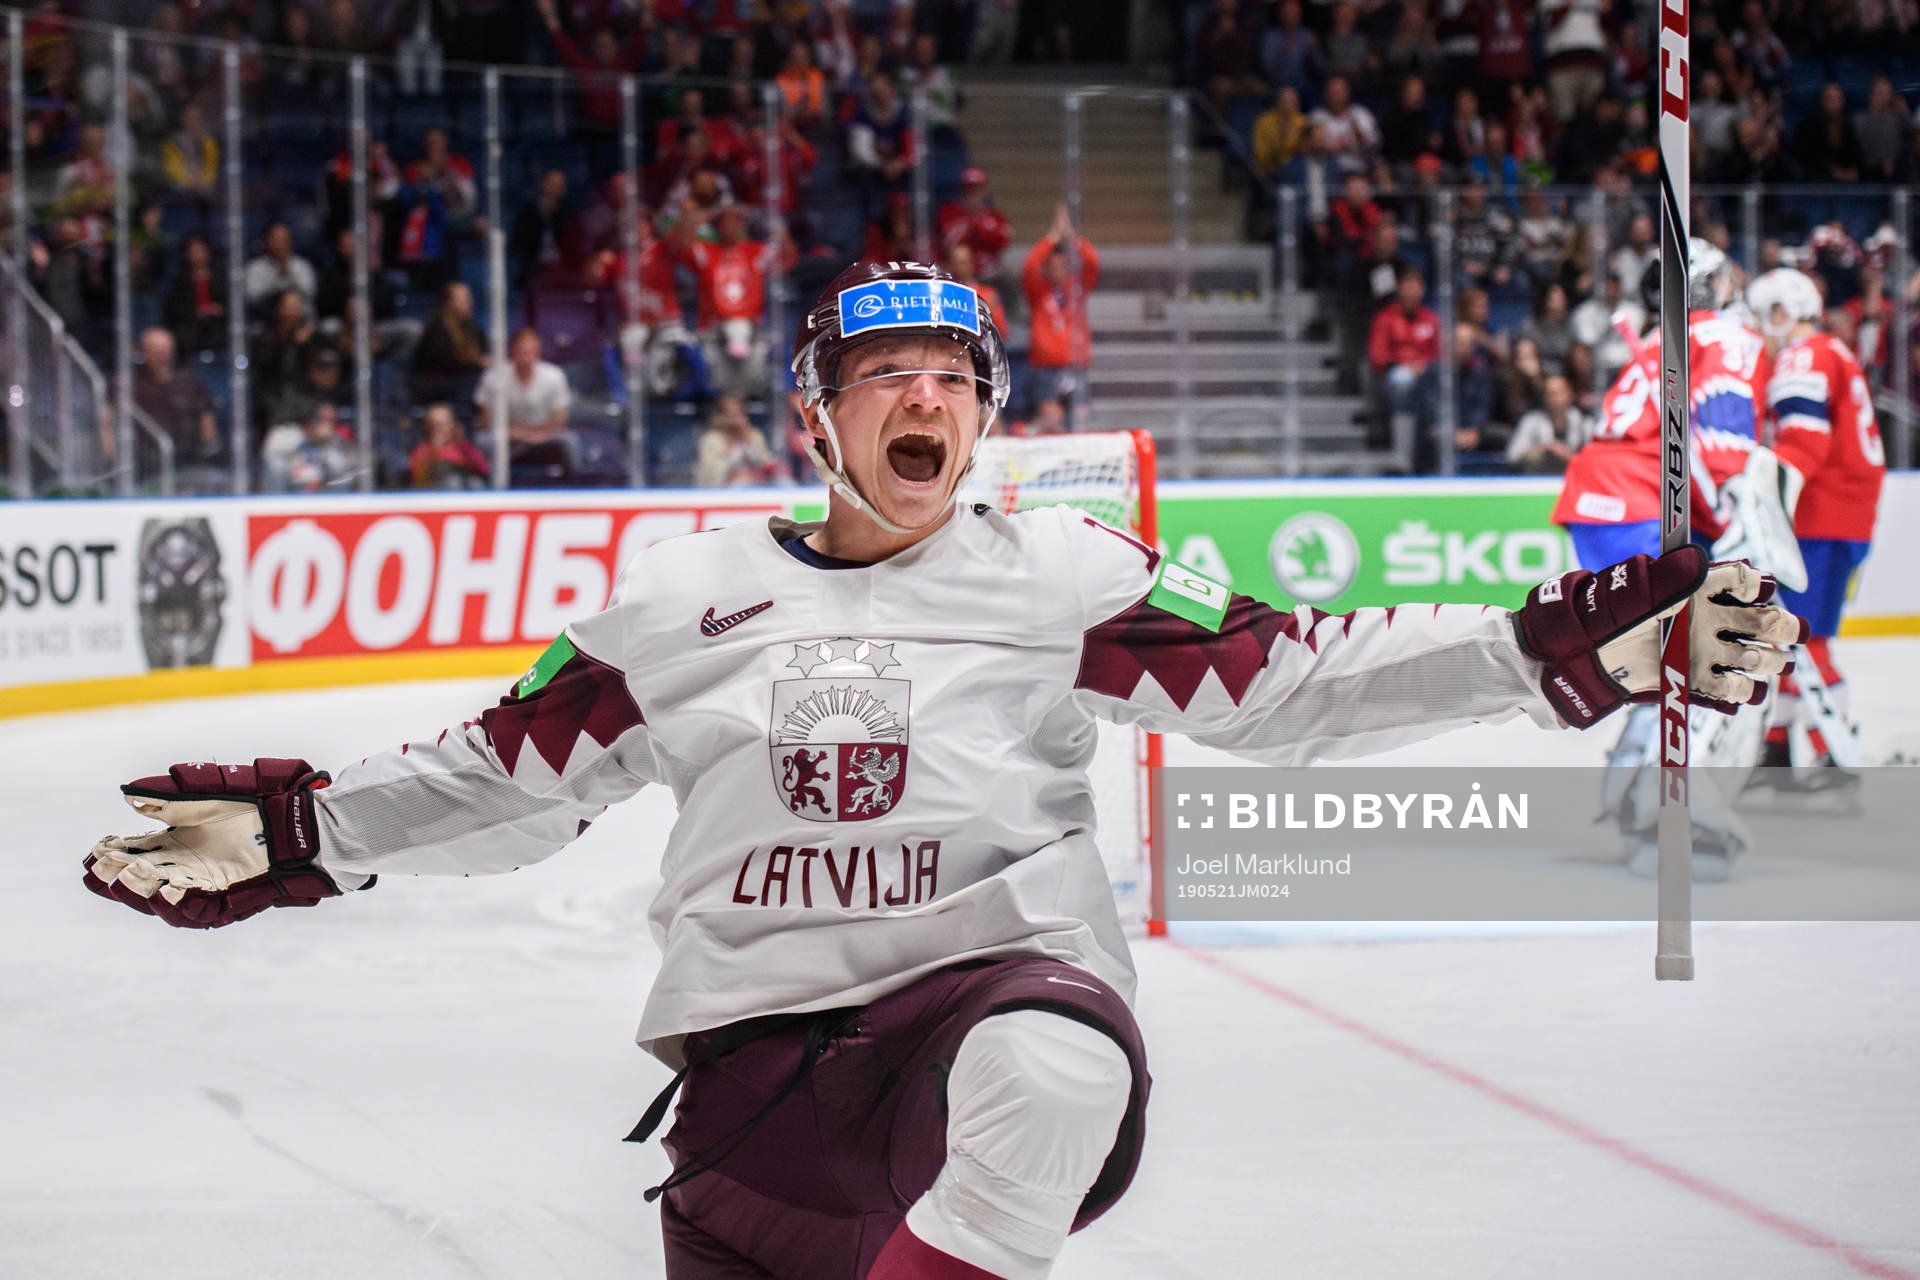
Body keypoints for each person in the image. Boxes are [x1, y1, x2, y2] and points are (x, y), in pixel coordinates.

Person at [82, 258, 1801, 1280]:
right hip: (757, 1099)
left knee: (1053, 1072)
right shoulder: (676, 604)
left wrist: (1578, 642)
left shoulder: (1072, 577)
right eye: (883, 378)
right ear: (815, 417)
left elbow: (1294, 685)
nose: (925, 403)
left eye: (954, 381)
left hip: (988, 1003)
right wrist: (309, 830)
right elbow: (502, 775)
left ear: (988, 416)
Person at [1744, 268, 1887, 786]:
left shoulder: (1803, 356)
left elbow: (1803, 442)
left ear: (1783, 312)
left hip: (1819, 517)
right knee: (1786, 633)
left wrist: (1757, 497)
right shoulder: (1833, 352)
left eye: (1765, 316)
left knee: (1807, 638)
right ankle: (1780, 747)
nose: (1762, 328)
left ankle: (1836, 749)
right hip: (1835, 514)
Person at [1022, 202, 1099, 429]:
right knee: (1050, 418)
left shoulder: (1078, 288)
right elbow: (1030, 265)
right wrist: (1052, 237)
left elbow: (1093, 262)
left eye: (1063, 265)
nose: (1058, 270)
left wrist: (1072, 238)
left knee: (1080, 416)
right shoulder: (1037, 289)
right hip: (1046, 364)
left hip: (1076, 362)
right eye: (1052, 265)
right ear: (1046, 268)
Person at [473, 328, 575, 474]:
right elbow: (486, 418)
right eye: (522, 351)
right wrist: (516, 433)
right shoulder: (494, 376)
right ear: (513, 351)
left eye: (530, 351)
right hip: (507, 434)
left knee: (570, 442)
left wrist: (535, 435)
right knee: (483, 441)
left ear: (538, 351)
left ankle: (574, 487)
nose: (526, 355)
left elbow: (560, 420)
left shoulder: (554, 375)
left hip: (546, 435)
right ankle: (491, 486)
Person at [1366, 267, 1440, 458]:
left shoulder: (1431, 319)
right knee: (1403, 381)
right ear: (1399, 290)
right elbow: (1378, 356)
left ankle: (1433, 438)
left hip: (1427, 373)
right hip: (1396, 373)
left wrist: (1423, 367)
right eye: (1407, 288)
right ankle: (1404, 453)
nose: (1412, 293)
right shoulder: (1385, 318)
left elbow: (1440, 354)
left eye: (1416, 288)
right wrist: (1405, 365)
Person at [411, 280, 490, 406]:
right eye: (464, 299)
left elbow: (484, 346)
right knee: (474, 380)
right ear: (449, 303)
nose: (470, 302)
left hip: (461, 380)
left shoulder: (470, 327)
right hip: (437, 385)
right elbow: (442, 361)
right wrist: (476, 362)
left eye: (469, 297)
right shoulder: (437, 328)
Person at [937, 167, 1014, 284]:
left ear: (984, 191)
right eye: (969, 189)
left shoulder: (995, 217)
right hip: (955, 270)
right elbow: (947, 242)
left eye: (976, 189)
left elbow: (1004, 241)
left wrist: (980, 227)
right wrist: (968, 223)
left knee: (1008, 277)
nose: (972, 194)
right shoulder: (949, 212)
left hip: (987, 272)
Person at [694, 392, 783, 487]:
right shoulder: (711, 440)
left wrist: (746, 441)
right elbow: (710, 474)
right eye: (731, 415)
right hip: (721, 493)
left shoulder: (753, 436)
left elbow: (766, 464)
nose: (736, 420)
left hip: (755, 490)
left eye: (739, 414)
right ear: (719, 417)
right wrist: (730, 454)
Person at [1505, 372, 1589, 472]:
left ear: (1569, 395)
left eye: (1557, 393)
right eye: (1549, 394)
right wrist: (1547, 447)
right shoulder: (1532, 422)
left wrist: (1570, 457)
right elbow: (1512, 456)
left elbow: (1594, 461)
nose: (1554, 398)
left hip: (1573, 480)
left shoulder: (1584, 424)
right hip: (1538, 481)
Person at [408, 402, 491, 489]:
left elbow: (483, 468)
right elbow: (417, 477)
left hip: (463, 493)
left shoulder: (463, 447)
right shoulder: (422, 450)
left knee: (475, 483)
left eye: (443, 424)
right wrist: (435, 450)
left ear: (452, 425)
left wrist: (462, 444)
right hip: (435, 494)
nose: (438, 428)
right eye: (434, 424)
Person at [243, 223, 317, 319]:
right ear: (266, 241)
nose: (280, 244)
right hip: (265, 319)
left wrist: (288, 273)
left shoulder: (302, 265)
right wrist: (277, 278)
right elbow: (251, 297)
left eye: (284, 239)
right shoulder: (255, 267)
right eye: (276, 240)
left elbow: (310, 293)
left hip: (300, 319)